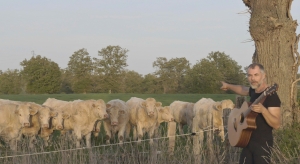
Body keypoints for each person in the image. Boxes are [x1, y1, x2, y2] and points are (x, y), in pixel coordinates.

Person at [220, 63, 281, 164]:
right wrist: (228, 86)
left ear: (264, 75)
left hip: (262, 144)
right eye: (249, 75)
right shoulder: (253, 90)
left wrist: (263, 111)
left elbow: (277, 124)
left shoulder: (272, 96)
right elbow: (242, 89)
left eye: (256, 75)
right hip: (247, 141)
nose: (253, 78)